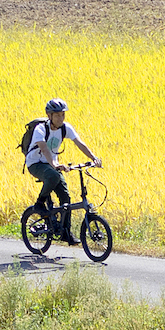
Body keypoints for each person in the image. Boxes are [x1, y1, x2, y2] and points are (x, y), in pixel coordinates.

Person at [20, 97, 98, 243]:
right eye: (57, 115)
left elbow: (79, 143)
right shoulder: (41, 129)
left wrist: (94, 158)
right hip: (36, 163)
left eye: (62, 114)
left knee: (66, 199)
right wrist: (55, 164)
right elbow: (44, 148)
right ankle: (39, 203)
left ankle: (65, 232)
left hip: (51, 165)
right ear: (49, 115)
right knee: (53, 176)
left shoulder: (65, 128)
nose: (60, 118)